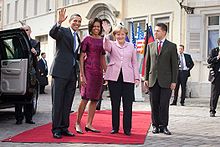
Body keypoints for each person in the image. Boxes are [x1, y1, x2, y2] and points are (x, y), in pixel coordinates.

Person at [49, 8, 81, 139]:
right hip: (60, 72)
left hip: (72, 74)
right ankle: (56, 129)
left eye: (79, 21)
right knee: (58, 102)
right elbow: (52, 33)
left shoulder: (78, 36)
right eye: (75, 21)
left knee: (67, 103)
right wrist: (58, 22)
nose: (77, 23)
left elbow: (75, 54)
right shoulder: (63, 31)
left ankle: (64, 127)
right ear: (70, 21)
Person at [103, 23, 140, 136]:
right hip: (114, 77)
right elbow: (105, 46)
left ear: (125, 35)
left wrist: (137, 77)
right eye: (118, 34)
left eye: (122, 34)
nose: (120, 36)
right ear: (115, 35)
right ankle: (115, 127)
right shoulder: (112, 44)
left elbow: (134, 62)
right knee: (115, 104)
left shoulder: (131, 46)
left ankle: (127, 129)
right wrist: (106, 33)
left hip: (128, 77)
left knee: (127, 104)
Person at [144, 23, 178, 135]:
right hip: (153, 79)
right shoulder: (150, 46)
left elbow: (174, 66)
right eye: (155, 30)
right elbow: (147, 63)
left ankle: (164, 126)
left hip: (166, 81)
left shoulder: (171, 46)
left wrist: (174, 81)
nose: (155, 33)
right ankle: (155, 125)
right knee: (154, 104)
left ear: (164, 32)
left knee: (164, 104)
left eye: (157, 31)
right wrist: (146, 78)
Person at [75, 18, 106, 134]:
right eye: (94, 26)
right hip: (88, 71)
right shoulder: (86, 39)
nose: (96, 28)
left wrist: (105, 73)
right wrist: (82, 75)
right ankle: (77, 123)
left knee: (95, 99)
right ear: (91, 28)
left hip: (98, 73)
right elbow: (81, 58)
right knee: (85, 98)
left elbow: (102, 58)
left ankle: (89, 124)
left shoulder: (103, 40)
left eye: (98, 26)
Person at [15, 25, 41, 125]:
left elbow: (38, 52)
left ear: (30, 31)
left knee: (30, 94)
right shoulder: (16, 42)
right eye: (22, 30)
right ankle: (18, 118)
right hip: (20, 71)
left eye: (26, 30)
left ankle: (29, 118)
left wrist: (35, 52)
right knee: (19, 94)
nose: (25, 32)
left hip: (31, 72)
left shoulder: (35, 42)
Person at [207, 38, 220, 117]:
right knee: (214, 94)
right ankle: (212, 111)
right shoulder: (214, 51)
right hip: (216, 75)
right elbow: (209, 60)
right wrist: (217, 57)